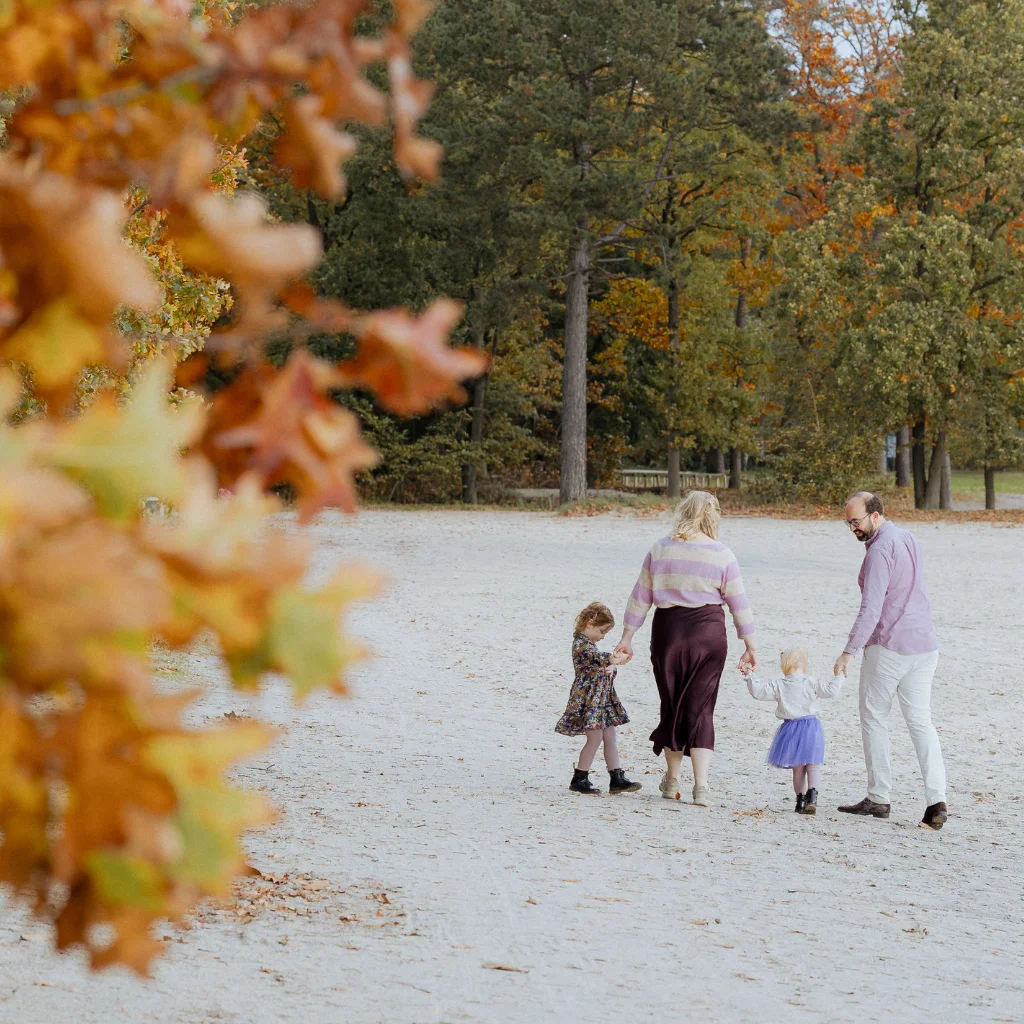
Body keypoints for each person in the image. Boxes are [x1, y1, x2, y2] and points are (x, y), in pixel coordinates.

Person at [614, 491, 756, 807]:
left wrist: (627, 637)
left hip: (669, 633)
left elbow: (641, 596)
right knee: (702, 707)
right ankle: (701, 786)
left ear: (683, 512)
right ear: (713, 516)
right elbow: (739, 604)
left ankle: (673, 779)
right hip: (709, 633)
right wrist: (750, 644)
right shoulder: (723, 554)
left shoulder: (660, 549)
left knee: (672, 702)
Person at [833, 491, 948, 830]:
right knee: (921, 723)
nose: (852, 528)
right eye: (848, 522)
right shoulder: (908, 538)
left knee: (873, 718)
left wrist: (848, 651)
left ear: (875, 516)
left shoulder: (880, 550)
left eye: (856, 521)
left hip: (890, 646)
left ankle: (879, 796)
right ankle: (936, 800)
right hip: (924, 644)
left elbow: (872, 609)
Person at [742, 647, 844, 815]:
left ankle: (800, 801)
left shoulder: (779, 684)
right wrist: (840, 676)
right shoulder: (811, 681)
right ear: (804, 664)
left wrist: (749, 675)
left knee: (798, 768)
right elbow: (830, 691)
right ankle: (813, 797)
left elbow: (759, 692)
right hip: (811, 727)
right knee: (813, 765)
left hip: (790, 728)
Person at [556, 602, 642, 796]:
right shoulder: (580, 644)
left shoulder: (592, 646)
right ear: (590, 622)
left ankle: (616, 777)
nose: (602, 636)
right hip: (589, 700)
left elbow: (599, 663)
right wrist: (610, 660)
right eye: (602, 631)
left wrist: (612, 668)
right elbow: (593, 658)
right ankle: (580, 777)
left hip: (601, 700)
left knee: (610, 736)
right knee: (594, 738)